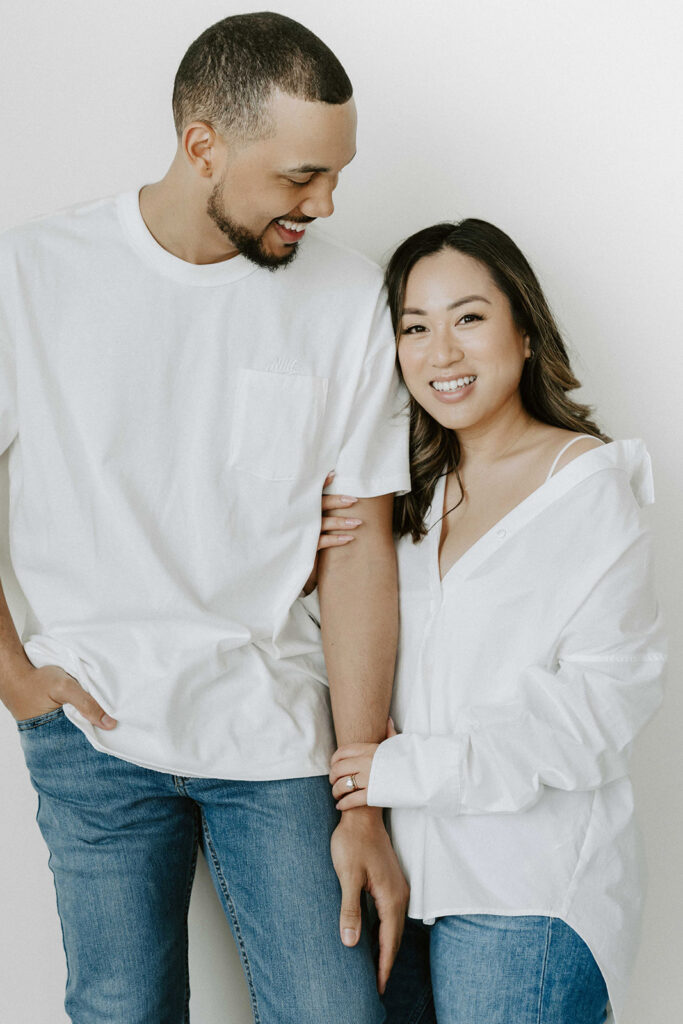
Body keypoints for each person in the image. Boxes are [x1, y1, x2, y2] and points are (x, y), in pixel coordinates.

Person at [0, 13, 411, 1023]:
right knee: (119, 1009)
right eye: (298, 177)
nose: (321, 203)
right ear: (202, 145)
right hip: (93, 730)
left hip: (274, 730)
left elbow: (360, 555)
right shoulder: (29, 277)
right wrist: (15, 679)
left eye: (334, 177)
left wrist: (361, 800)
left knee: (335, 1014)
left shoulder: (348, 295)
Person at [323, 219, 665, 1023]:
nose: (440, 353)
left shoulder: (585, 486)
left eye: (468, 318)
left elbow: (598, 709)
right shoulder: (404, 500)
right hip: (399, 886)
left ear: (522, 329)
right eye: (415, 327)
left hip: (528, 894)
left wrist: (399, 770)